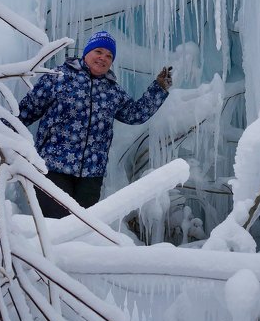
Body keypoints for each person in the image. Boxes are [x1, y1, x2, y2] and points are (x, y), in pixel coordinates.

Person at [19, 31, 172, 218]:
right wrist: (0, 133)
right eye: (98, 51)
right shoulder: (58, 77)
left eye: (109, 56)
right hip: (53, 168)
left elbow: (135, 115)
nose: (103, 58)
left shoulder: (112, 90)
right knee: (56, 227)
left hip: (91, 176)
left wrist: (159, 88)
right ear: (87, 52)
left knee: (82, 231)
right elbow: (26, 111)